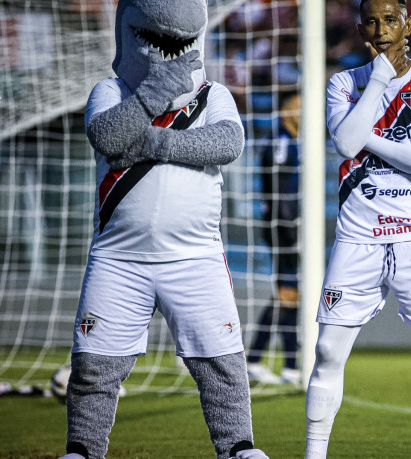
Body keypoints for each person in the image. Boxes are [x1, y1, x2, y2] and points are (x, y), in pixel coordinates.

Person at [60, 1, 267, 458]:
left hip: (197, 257)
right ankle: (82, 449)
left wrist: (151, 141)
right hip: (119, 258)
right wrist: (154, 93)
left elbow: (227, 143)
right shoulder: (110, 90)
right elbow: (109, 137)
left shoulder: (213, 95)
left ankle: (238, 447)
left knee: (220, 363)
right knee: (94, 366)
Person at [304, 0, 411, 458]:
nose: (381, 29)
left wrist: (368, 138)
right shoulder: (344, 82)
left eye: (390, 20)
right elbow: (345, 144)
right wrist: (379, 79)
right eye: (372, 22)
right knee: (327, 352)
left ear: (408, 25)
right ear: (361, 30)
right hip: (359, 236)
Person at [246, 92, 302, 386]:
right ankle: (256, 359)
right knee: (287, 292)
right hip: (281, 225)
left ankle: (291, 364)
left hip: (285, 224)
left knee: (290, 294)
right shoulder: (281, 140)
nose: (302, 112)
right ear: (284, 111)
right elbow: (278, 187)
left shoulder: (290, 140)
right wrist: (288, 226)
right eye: (297, 106)